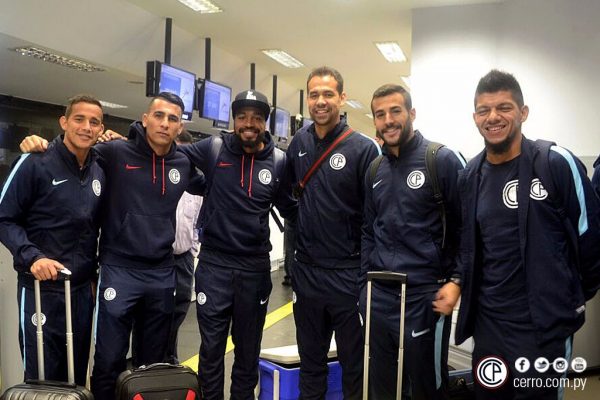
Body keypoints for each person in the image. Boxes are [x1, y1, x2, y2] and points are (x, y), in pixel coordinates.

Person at [19, 92, 202, 400]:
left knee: (152, 362)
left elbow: (213, 186)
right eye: (158, 115)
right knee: (108, 360)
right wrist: (38, 143)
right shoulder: (114, 152)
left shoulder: (183, 163)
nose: (165, 123)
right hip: (119, 271)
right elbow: (73, 150)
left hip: (161, 272)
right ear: (144, 120)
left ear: (179, 125)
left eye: (173, 118)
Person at [455, 70, 600, 399]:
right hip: (489, 328)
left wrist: (568, 296)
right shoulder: (470, 176)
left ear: (523, 112)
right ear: (475, 117)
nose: (493, 117)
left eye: (504, 107)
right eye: (484, 110)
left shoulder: (555, 163)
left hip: (543, 329)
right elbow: (469, 246)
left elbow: (590, 239)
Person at [177, 90, 297, 399]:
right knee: (211, 349)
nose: (249, 123)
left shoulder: (280, 161)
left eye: (257, 118)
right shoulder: (214, 148)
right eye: (243, 116)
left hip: (254, 270)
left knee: (247, 350)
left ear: (265, 124)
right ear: (234, 120)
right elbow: (173, 154)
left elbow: (292, 210)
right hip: (214, 265)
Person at [361, 84, 465, 399]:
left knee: (426, 386)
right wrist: (362, 287)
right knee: (382, 385)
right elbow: (368, 230)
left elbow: (468, 230)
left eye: (396, 111)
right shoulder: (375, 169)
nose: (388, 120)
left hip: (424, 296)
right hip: (379, 295)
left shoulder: (441, 159)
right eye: (381, 114)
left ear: (412, 114)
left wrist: (457, 281)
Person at [286, 66, 381, 399]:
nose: (320, 101)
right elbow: (288, 198)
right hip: (308, 273)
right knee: (310, 363)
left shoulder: (363, 149)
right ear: (307, 99)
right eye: (314, 94)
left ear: (342, 97)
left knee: (355, 365)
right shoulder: (298, 142)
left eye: (328, 94)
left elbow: (374, 217)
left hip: (348, 275)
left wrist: (365, 274)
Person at [0, 94, 105, 385]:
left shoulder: (99, 167)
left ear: (101, 129)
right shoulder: (34, 161)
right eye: (79, 119)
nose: (86, 127)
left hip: (82, 291)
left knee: (75, 374)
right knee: (42, 376)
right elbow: (4, 217)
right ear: (64, 122)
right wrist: (32, 256)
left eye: (94, 122)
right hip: (41, 290)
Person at [167, 130, 203, 363]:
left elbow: (198, 223)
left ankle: (170, 361)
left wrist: (192, 250)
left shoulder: (197, 188)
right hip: (158, 260)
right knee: (152, 315)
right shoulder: (160, 179)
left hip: (183, 260)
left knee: (178, 312)